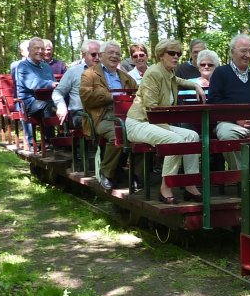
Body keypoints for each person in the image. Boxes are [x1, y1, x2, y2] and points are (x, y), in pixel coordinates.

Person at [125, 39, 205, 204]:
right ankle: (165, 188)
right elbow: (150, 109)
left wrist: (195, 86)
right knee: (175, 140)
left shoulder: (168, 72)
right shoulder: (154, 73)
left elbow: (177, 81)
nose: (176, 57)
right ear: (161, 55)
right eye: (172, 53)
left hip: (156, 122)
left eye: (178, 54)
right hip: (139, 123)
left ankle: (190, 185)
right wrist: (170, 129)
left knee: (193, 136)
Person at [80, 41, 138, 190]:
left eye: (117, 54)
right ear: (101, 55)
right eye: (111, 53)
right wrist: (111, 96)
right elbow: (86, 98)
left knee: (143, 133)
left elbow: (137, 94)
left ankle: (135, 174)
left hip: (127, 116)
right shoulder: (90, 74)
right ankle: (106, 172)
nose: (114, 56)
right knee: (117, 134)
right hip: (102, 116)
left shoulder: (126, 77)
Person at [207, 33, 250, 169]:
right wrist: (236, 118)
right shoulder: (220, 73)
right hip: (230, 123)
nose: (248, 55)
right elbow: (214, 101)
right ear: (232, 52)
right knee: (227, 135)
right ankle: (241, 176)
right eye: (243, 50)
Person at [16, 37, 58, 147]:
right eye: (37, 48)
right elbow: (33, 83)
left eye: (42, 48)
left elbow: (54, 83)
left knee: (66, 102)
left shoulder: (46, 66)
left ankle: (69, 137)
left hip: (47, 100)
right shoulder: (23, 66)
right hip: (29, 103)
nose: (40, 51)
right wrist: (51, 84)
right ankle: (49, 141)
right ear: (29, 50)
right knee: (48, 106)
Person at [52, 39, 102, 129]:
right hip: (80, 112)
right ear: (83, 54)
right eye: (93, 54)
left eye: (100, 54)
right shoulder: (73, 71)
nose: (97, 58)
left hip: (102, 111)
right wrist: (61, 106)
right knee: (97, 123)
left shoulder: (106, 71)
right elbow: (58, 92)